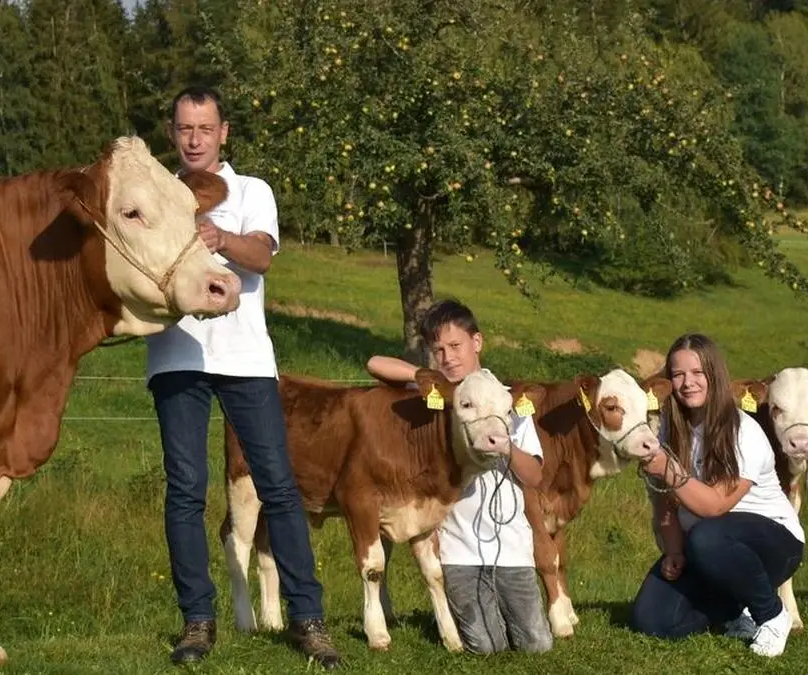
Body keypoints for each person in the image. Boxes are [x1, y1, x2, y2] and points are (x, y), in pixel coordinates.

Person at [144, 85, 339, 669]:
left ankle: (308, 621)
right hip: (176, 357)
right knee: (185, 490)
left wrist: (219, 236)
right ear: (173, 133)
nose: (194, 139)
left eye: (205, 128)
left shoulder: (252, 190)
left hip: (247, 360)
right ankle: (197, 622)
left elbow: (261, 256)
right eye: (184, 129)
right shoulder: (156, 195)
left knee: (279, 486)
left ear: (224, 131)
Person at [366, 299, 554, 654]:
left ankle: (505, 614)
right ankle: (482, 617)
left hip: (512, 548)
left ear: (477, 342)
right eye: (438, 350)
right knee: (484, 647)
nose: (448, 357)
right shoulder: (441, 399)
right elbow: (374, 363)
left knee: (537, 646)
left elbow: (535, 475)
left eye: (456, 346)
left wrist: (507, 448)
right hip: (458, 551)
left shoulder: (507, 399)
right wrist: (426, 379)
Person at [629, 333, 804, 658]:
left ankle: (771, 613)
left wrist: (668, 466)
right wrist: (674, 551)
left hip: (774, 546)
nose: (687, 383)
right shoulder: (669, 428)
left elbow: (714, 506)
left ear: (715, 375)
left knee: (707, 536)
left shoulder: (743, 430)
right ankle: (736, 609)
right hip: (703, 548)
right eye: (678, 374)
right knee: (651, 622)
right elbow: (665, 503)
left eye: (697, 373)